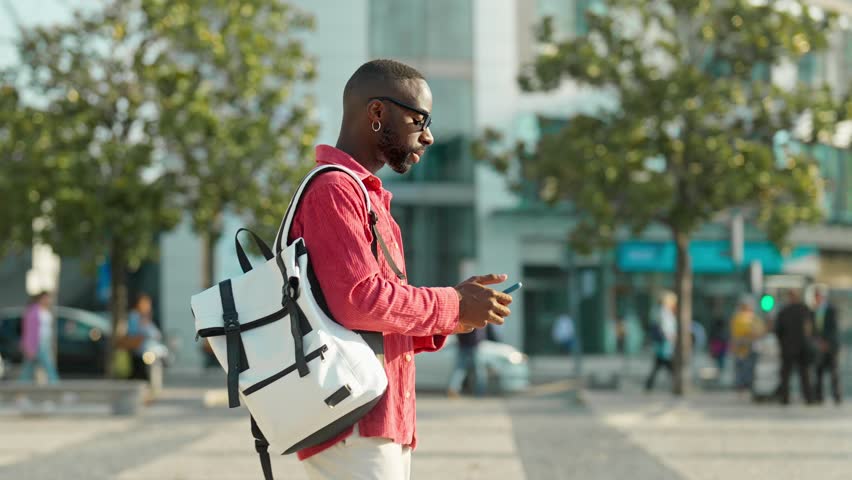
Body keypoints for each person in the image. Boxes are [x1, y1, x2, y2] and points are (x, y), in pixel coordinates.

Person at [289, 59, 513, 479]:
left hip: (378, 418)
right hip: (354, 421)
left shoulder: (364, 196)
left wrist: (456, 316)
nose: (428, 136)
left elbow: (373, 319)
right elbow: (361, 300)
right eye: (418, 119)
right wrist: (452, 303)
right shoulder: (334, 190)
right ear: (377, 113)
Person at [774, 289, 815, 405]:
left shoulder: (783, 311)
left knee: (786, 375)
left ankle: (785, 398)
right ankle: (809, 398)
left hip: (788, 348)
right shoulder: (805, 310)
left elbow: (778, 331)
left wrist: (782, 344)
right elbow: (810, 328)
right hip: (802, 347)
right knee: (804, 374)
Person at [17, 291, 60, 384]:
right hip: (37, 343)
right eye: (46, 298)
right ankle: (57, 388)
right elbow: (29, 331)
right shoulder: (33, 311)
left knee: (27, 370)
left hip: (45, 342)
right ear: (40, 299)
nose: (48, 300)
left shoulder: (47, 311)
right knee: (49, 366)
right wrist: (29, 347)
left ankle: (19, 393)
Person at [812, 287, 842, 404]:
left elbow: (833, 328)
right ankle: (819, 397)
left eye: (818, 296)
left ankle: (837, 397)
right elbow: (814, 329)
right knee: (818, 372)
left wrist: (826, 342)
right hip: (819, 346)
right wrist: (818, 342)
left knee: (834, 373)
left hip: (830, 346)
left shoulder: (831, 310)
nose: (817, 299)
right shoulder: (814, 311)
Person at [126, 293, 162, 383]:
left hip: (146, 349)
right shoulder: (135, 316)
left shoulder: (144, 317)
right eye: (145, 303)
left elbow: (155, 333)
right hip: (139, 350)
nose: (148, 306)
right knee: (140, 375)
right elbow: (135, 332)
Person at [729, 296, 762, 396]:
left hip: (752, 347)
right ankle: (741, 388)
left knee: (750, 368)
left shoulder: (754, 317)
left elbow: (760, 330)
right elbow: (737, 332)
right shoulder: (738, 317)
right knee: (741, 369)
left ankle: (748, 387)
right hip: (741, 347)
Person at [644, 291, 676, 392]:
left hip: (662, 342)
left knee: (659, 364)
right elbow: (665, 328)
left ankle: (649, 384)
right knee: (667, 364)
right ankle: (676, 383)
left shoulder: (657, 310)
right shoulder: (664, 312)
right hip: (665, 342)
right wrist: (670, 337)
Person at [447, 327, 488, 397]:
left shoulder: (464, 316)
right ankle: (480, 392)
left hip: (463, 344)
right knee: (478, 370)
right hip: (475, 345)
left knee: (460, 369)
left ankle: (453, 389)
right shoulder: (480, 317)